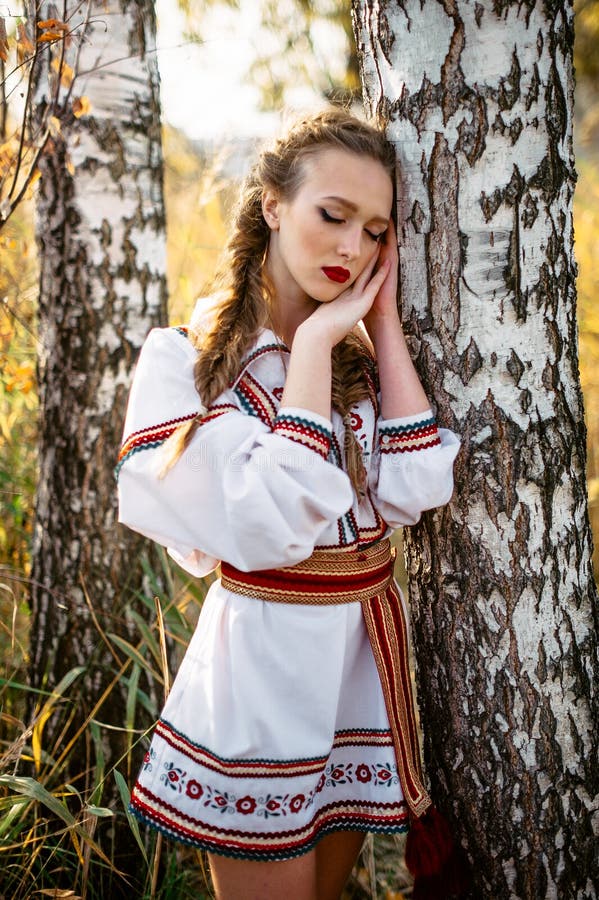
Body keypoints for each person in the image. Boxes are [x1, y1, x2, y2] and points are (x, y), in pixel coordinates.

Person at [117, 108, 461, 900]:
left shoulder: (357, 366)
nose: (352, 248)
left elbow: (415, 488)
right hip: (262, 676)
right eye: (332, 216)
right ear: (272, 204)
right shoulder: (183, 365)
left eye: (375, 232)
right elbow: (271, 521)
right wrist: (308, 348)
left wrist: (379, 326)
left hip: (355, 672)